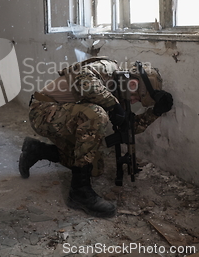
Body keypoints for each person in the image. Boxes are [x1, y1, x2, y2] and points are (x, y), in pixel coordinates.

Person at [18, 57, 173, 218]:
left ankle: (37, 150)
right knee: (96, 115)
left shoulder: (119, 94)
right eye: (138, 98)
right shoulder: (108, 67)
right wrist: (113, 106)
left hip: (61, 117)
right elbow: (83, 80)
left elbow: (128, 128)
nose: (134, 101)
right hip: (43, 111)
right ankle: (79, 193)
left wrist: (155, 112)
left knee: (95, 167)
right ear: (134, 84)